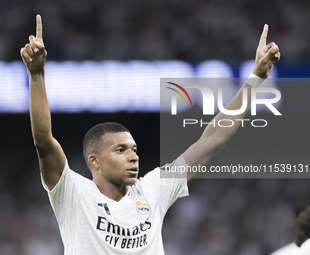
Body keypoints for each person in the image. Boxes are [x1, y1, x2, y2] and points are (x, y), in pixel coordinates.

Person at [20, 14, 281, 255]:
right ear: (94, 161)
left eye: (134, 149)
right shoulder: (73, 193)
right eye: (120, 150)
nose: (133, 157)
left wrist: (255, 78)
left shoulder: (153, 189)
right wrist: (37, 74)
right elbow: (43, 141)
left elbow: (212, 140)